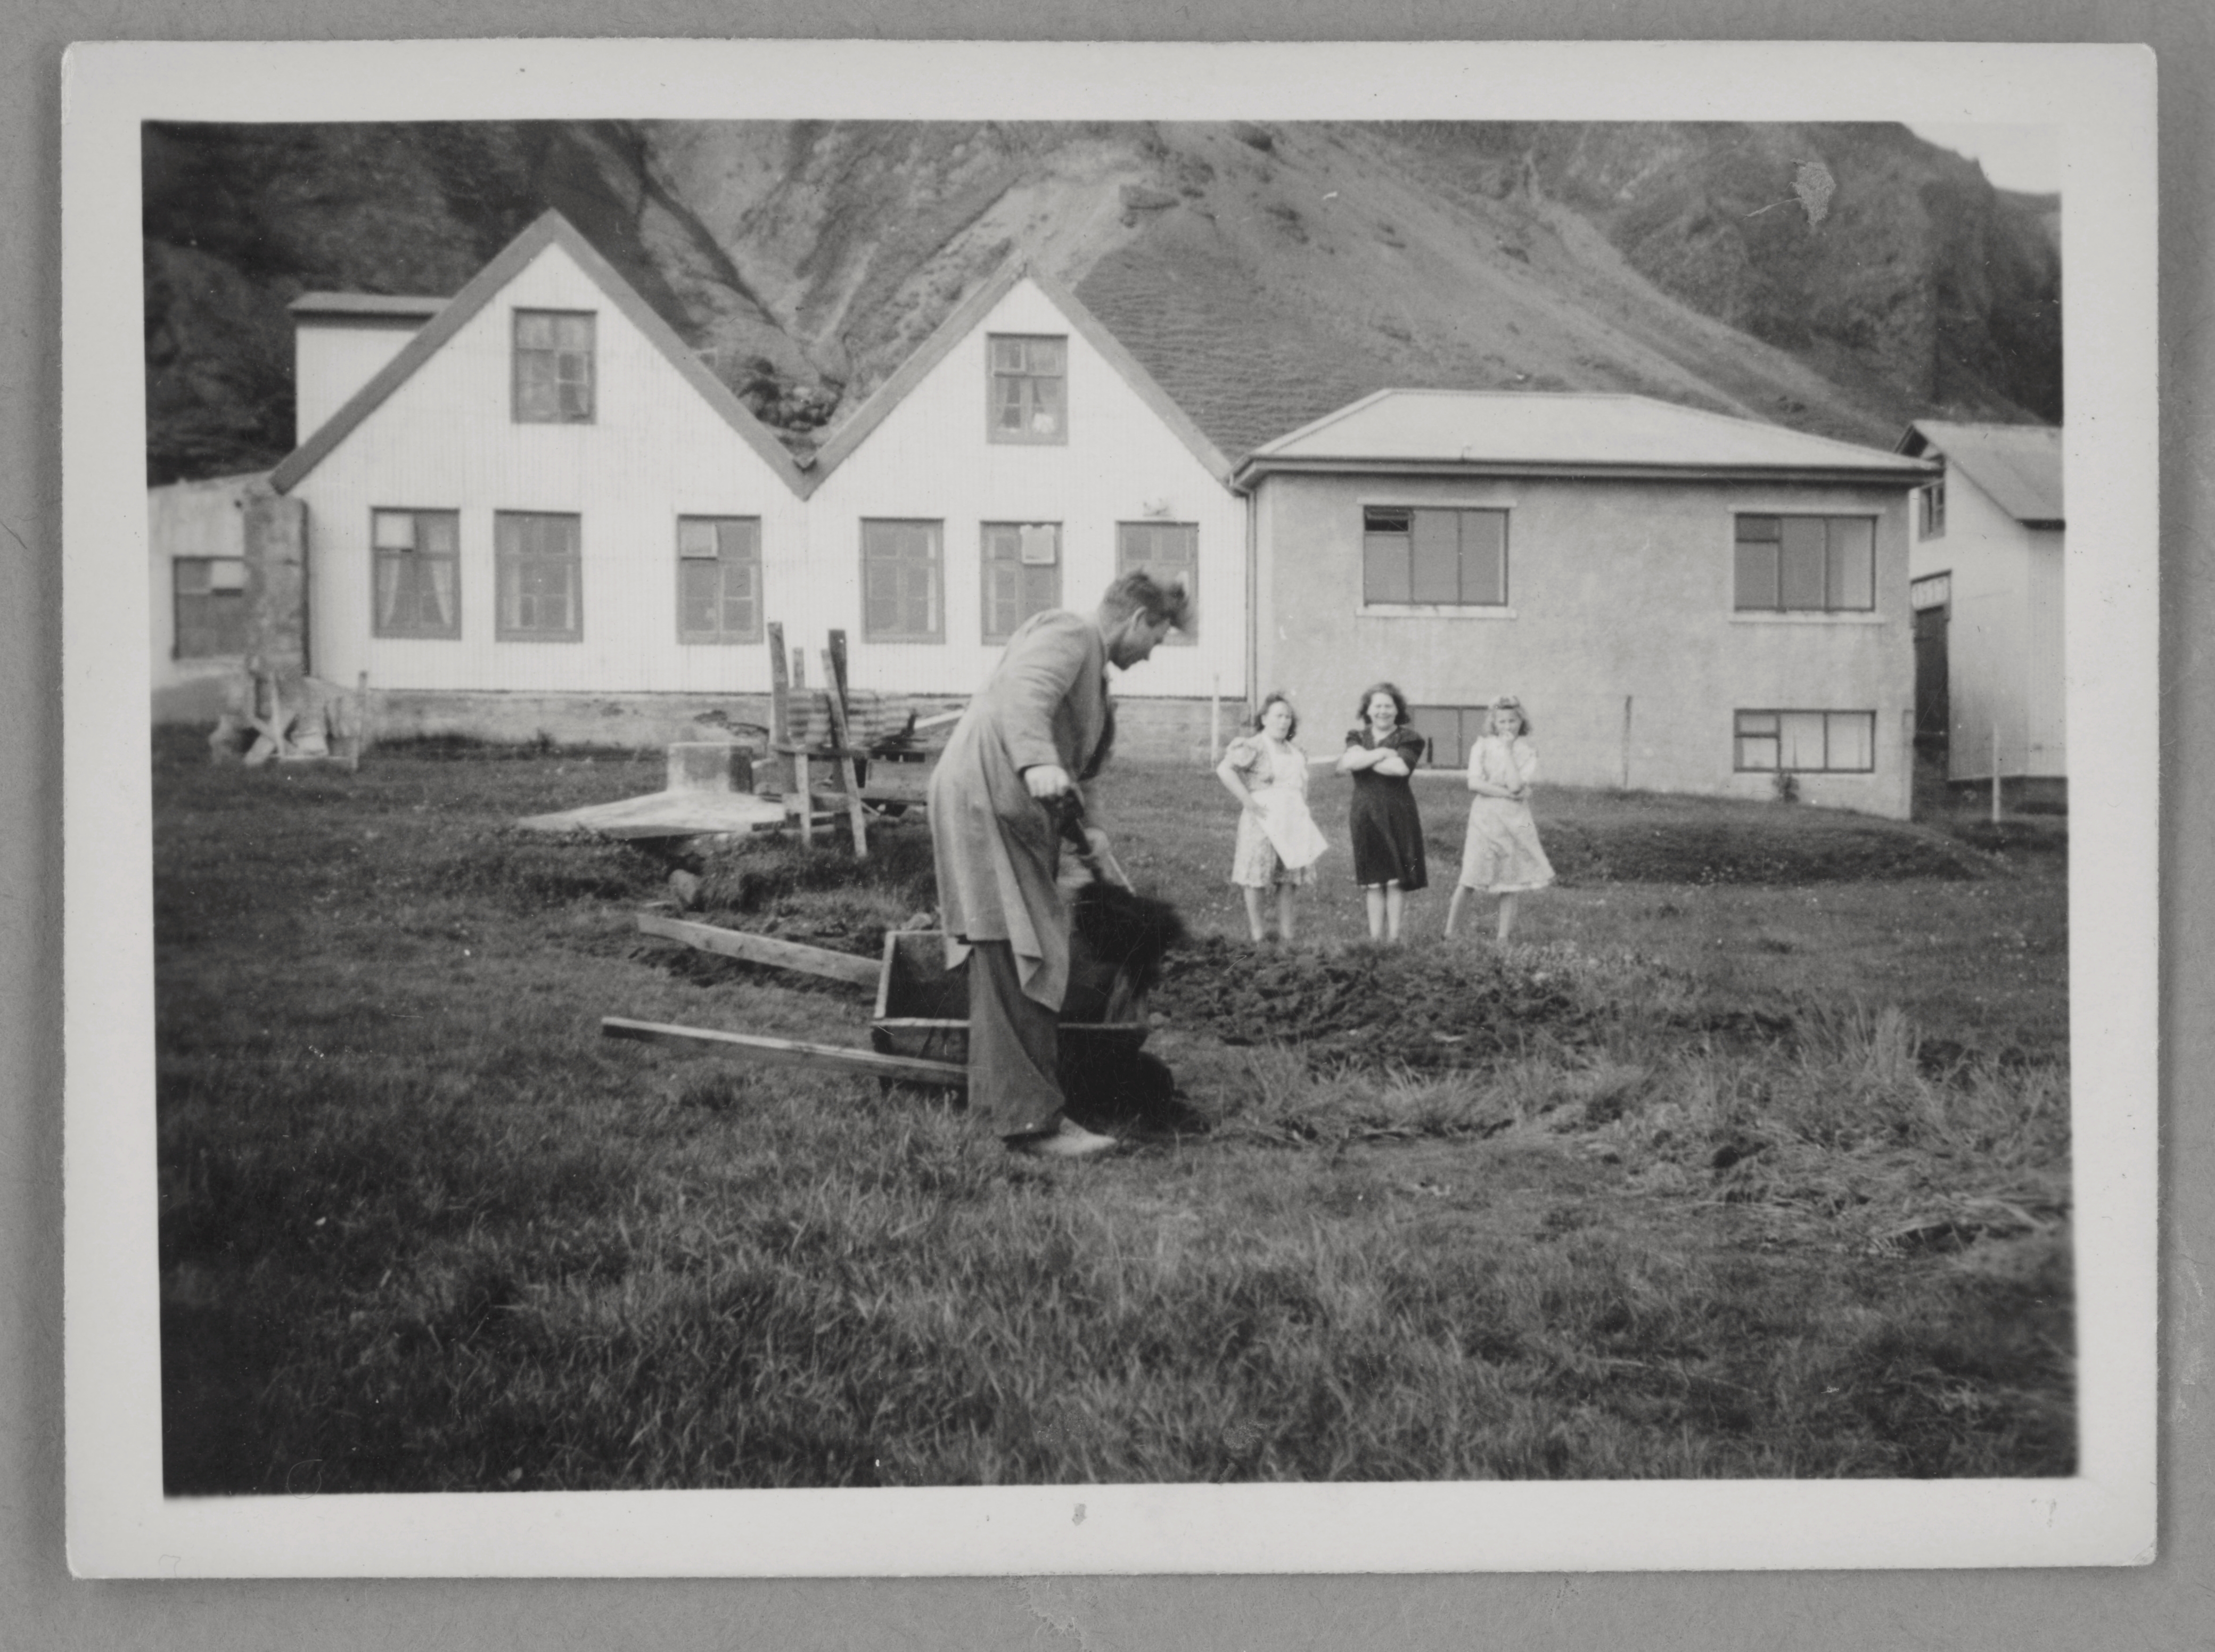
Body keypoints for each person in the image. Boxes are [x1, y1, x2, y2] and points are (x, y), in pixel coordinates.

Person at [928, 570, 1191, 1159]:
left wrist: (1089, 829)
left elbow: (1080, 770)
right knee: (1023, 950)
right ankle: (1030, 1123)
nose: (1152, 655)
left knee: (1014, 949)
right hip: (989, 796)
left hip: (1005, 803)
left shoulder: (1095, 678)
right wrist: (1036, 763)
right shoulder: (1068, 632)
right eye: (1158, 638)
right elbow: (1020, 694)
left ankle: (1002, 1107)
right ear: (1137, 620)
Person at [1215, 692, 1326, 944]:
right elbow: (1224, 769)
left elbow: (1301, 785)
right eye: (1278, 716)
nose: (1283, 721)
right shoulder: (1253, 746)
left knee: (1288, 878)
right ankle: (1258, 933)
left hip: (1292, 817)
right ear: (1264, 719)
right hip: (1262, 817)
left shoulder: (1295, 751)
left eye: (1287, 717)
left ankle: (1287, 935)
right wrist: (1247, 799)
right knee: (1256, 876)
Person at [1445, 694, 1555, 944]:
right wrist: (1508, 793)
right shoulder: (1481, 746)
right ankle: (1450, 933)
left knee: (1510, 878)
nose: (1507, 727)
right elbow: (1474, 783)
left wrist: (1507, 751)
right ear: (1494, 723)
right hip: (1485, 816)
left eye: (1512, 721)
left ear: (1521, 722)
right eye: (1502, 722)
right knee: (1471, 875)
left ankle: (1502, 938)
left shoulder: (1527, 751)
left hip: (1516, 818)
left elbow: (1518, 785)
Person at [1335, 681, 1428, 942]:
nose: (1383, 711)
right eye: (1378, 706)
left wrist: (1365, 759)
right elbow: (1348, 762)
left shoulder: (1410, 738)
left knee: (1396, 878)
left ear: (1398, 710)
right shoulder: (1356, 736)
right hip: (1364, 814)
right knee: (1374, 881)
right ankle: (1376, 940)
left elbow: (1400, 768)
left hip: (1398, 813)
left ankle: (1394, 939)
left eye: (1389, 706)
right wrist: (1381, 753)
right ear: (1368, 710)